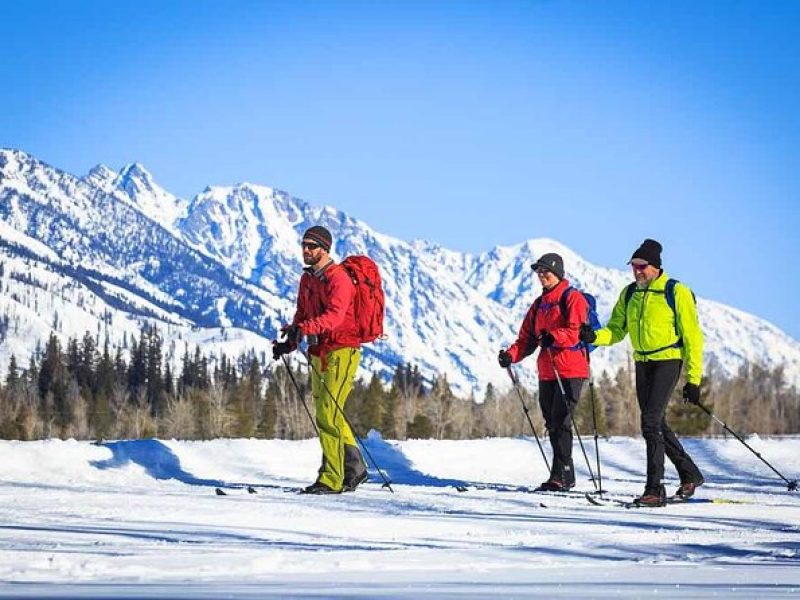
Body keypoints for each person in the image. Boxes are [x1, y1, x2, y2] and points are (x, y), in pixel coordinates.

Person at [579, 239, 704, 506]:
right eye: (633, 267)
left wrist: (693, 379)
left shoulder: (675, 291)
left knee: (649, 422)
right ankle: (689, 473)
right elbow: (615, 330)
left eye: (642, 267)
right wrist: (594, 336)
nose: (637, 272)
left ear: (656, 267)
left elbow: (693, 337)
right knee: (655, 422)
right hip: (642, 362)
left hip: (668, 360)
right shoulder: (629, 294)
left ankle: (654, 488)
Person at [272, 225, 368, 495]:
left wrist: (306, 329)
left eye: (311, 246)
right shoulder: (308, 280)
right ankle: (354, 468)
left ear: (325, 249)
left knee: (328, 414)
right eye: (303, 245)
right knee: (329, 413)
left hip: (341, 350)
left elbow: (335, 317)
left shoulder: (339, 279)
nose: (305, 250)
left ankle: (332, 478)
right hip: (318, 352)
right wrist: (289, 343)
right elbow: (302, 314)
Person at [498, 253, 589, 491]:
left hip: (570, 369)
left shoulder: (572, 298)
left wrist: (553, 337)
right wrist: (511, 355)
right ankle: (561, 474)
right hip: (547, 371)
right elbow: (526, 338)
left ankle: (562, 474)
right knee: (551, 422)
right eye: (538, 272)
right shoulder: (539, 304)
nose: (541, 275)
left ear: (557, 272)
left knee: (561, 421)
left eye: (545, 271)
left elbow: (576, 331)